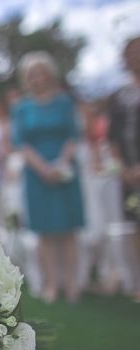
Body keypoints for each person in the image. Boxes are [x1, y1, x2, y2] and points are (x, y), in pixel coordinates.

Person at [11, 51, 85, 303]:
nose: (37, 77)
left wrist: (61, 163)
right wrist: (43, 168)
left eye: (41, 72)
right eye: (32, 74)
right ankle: (51, 284)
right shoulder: (21, 108)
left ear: (50, 74)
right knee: (45, 232)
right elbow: (21, 142)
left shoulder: (64, 102)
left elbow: (73, 135)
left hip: (65, 170)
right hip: (36, 174)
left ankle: (72, 284)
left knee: (68, 230)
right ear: (26, 79)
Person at [108, 35, 140, 301]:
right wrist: (123, 168)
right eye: (130, 53)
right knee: (135, 226)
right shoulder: (120, 96)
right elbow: (114, 137)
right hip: (129, 176)